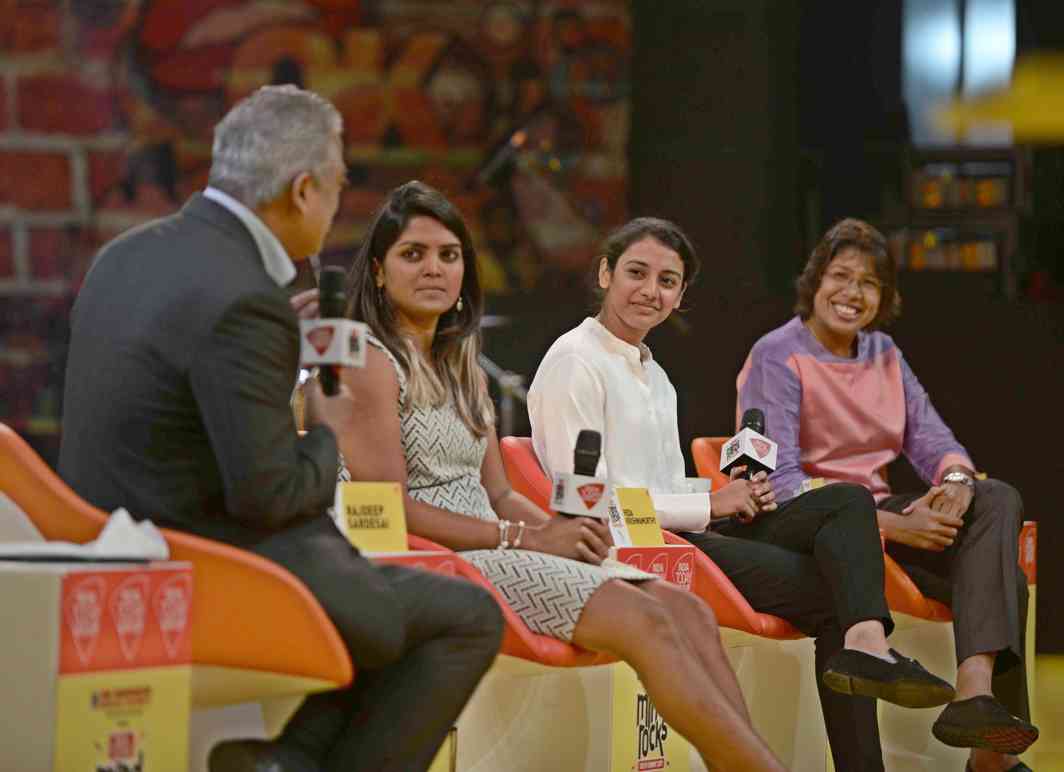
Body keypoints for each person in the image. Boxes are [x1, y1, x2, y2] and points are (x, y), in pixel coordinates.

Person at [58, 86, 504, 772]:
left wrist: (271, 357)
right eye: (338, 185)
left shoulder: (126, 253)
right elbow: (269, 493)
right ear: (303, 191)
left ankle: (282, 764)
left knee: (395, 602)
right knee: (465, 616)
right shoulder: (245, 297)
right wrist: (327, 427)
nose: (336, 206)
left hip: (109, 538)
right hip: (209, 562)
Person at [330, 180, 786, 772]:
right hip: (442, 559)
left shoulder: (459, 361)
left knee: (688, 610)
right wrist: (528, 539)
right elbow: (391, 512)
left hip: (504, 544)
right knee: (646, 620)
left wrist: (560, 533)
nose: (435, 269)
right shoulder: (366, 356)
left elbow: (498, 492)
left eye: (449, 255)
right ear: (379, 270)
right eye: (413, 254)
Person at [529, 216, 957, 771]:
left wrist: (725, 492)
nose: (649, 291)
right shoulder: (574, 361)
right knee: (832, 596)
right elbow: (592, 503)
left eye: (667, 281)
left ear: (681, 295)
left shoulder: (654, 374)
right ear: (606, 273)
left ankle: (868, 641)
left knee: (848, 501)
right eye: (637, 273)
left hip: (685, 529)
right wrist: (710, 504)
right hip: (635, 548)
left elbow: (660, 483)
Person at [737, 217, 1038, 772]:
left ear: (885, 296)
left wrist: (953, 484)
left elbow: (935, 441)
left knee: (994, 496)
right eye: (840, 276)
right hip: (816, 522)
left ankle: (974, 692)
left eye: (869, 283)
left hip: (879, 514)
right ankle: (989, 761)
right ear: (814, 280)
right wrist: (892, 525)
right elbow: (778, 482)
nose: (852, 293)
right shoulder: (777, 355)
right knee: (1005, 580)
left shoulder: (884, 353)